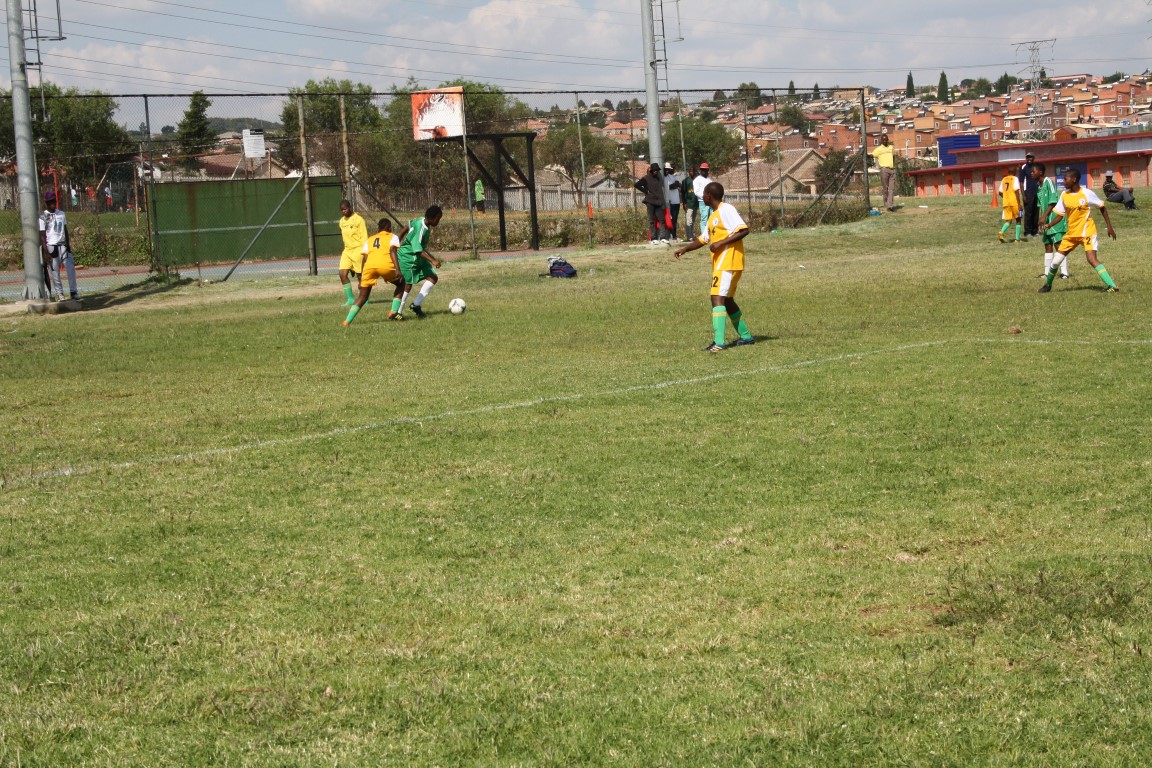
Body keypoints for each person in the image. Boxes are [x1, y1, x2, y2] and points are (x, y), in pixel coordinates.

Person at [673, 181, 755, 353]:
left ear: (709, 196)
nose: (702, 197)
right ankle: (746, 336)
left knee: (716, 297)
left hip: (728, 261)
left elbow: (744, 230)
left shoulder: (726, 209)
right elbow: (703, 239)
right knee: (727, 300)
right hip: (724, 263)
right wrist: (685, 249)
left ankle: (719, 342)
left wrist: (720, 243)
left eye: (704, 194)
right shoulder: (713, 217)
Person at [1038, 168, 1119, 293]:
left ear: (1074, 180)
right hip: (1072, 233)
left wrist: (1110, 227)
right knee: (1055, 262)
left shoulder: (1086, 193)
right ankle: (1048, 285)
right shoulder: (1064, 195)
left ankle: (1112, 286)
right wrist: (1050, 224)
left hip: (1087, 232)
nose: (1063, 181)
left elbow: (1102, 207)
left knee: (1091, 259)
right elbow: (1060, 214)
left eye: (1065, 179)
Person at [343, 218, 406, 326]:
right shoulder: (393, 236)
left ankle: (346, 321)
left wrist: (362, 277)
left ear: (378, 228)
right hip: (385, 266)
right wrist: (397, 269)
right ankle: (393, 312)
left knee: (362, 296)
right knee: (401, 283)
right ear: (389, 228)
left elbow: (365, 258)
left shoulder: (370, 239)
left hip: (369, 267)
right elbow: (392, 250)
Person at [396, 205, 444, 318]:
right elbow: (417, 250)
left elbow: (407, 226)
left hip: (417, 257)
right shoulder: (421, 229)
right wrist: (433, 260)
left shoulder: (421, 220)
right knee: (408, 284)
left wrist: (398, 240)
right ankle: (398, 312)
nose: (438, 221)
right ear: (431, 218)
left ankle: (416, 305)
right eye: (438, 219)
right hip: (408, 257)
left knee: (432, 277)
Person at [39, 190, 78, 301]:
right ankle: (60, 293)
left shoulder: (61, 214)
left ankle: (73, 292)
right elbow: (42, 236)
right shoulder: (43, 217)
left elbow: (65, 230)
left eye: (54, 201)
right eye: (50, 201)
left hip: (63, 245)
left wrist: (68, 244)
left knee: (70, 269)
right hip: (51, 246)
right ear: (46, 202)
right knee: (55, 272)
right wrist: (46, 252)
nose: (52, 203)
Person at [1032, 163, 1069, 281]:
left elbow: (1053, 201)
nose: (1031, 174)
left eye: (1033, 172)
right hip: (1046, 219)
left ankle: (1064, 272)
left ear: (1040, 172)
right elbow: (1040, 205)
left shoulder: (1049, 182)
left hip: (1055, 218)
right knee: (1047, 245)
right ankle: (1046, 272)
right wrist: (1040, 221)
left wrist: (1044, 217)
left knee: (1058, 245)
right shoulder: (1038, 186)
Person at [337, 199, 368, 306]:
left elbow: (364, 237)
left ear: (349, 207)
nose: (344, 211)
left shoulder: (358, 220)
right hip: (347, 251)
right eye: (342, 210)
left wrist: (365, 252)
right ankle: (350, 299)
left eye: (345, 209)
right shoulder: (342, 221)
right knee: (342, 274)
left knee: (360, 276)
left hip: (358, 250)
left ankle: (364, 299)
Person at [634, 163, 667, 243]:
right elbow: (636, 185)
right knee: (651, 220)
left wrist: (662, 202)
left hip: (658, 202)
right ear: (651, 170)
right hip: (650, 201)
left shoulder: (658, 178)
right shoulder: (646, 178)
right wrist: (645, 191)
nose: (656, 171)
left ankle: (663, 237)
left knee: (662, 220)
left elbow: (660, 191)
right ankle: (653, 238)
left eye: (657, 170)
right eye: (654, 170)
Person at [998, 164, 1023, 243]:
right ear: (1015, 172)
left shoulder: (1004, 179)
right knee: (1018, 220)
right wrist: (1019, 204)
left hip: (1006, 203)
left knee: (1008, 220)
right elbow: (1016, 191)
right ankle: (1017, 239)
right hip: (1014, 202)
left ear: (1008, 172)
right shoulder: (1015, 178)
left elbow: (1000, 192)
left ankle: (1001, 232)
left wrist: (1005, 197)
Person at [871, 133, 897, 211]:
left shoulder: (891, 148)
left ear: (887, 140)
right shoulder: (878, 149)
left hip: (892, 169)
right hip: (884, 170)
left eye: (886, 140)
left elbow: (894, 156)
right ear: (881, 141)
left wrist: (893, 165)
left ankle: (890, 206)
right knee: (885, 188)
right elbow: (873, 156)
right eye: (883, 140)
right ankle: (886, 203)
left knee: (891, 189)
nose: (885, 141)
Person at [1018, 153, 1039, 237]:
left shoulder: (1036, 167)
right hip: (1028, 193)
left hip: (1036, 193)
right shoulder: (1023, 167)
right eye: (1028, 157)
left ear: (1033, 158)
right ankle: (1027, 232)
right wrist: (1023, 195)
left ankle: (1035, 231)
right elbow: (1021, 182)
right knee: (1028, 213)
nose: (1029, 159)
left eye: (1031, 157)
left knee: (1036, 213)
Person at [663, 161, 682, 241]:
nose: (667, 171)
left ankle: (674, 236)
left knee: (675, 220)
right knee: (670, 219)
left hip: (676, 201)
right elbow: (671, 187)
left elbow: (678, 184)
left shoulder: (672, 177)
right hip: (669, 202)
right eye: (666, 169)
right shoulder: (664, 178)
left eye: (669, 169)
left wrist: (676, 184)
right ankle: (671, 236)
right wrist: (675, 185)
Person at [692, 163, 712, 234]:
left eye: (706, 170)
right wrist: (705, 197)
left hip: (711, 202)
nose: (704, 171)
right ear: (700, 170)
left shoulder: (710, 180)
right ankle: (704, 235)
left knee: (711, 218)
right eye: (703, 170)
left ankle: (710, 234)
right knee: (704, 219)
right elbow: (696, 192)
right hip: (703, 202)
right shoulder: (697, 180)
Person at [683, 168, 699, 239]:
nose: (692, 172)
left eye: (693, 171)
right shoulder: (686, 181)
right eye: (690, 171)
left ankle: (691, 234)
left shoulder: (697, 180)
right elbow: (683, 192)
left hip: (695, 203)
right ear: (688, 172)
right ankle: (689, 236)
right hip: (689, 203)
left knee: (693, 220)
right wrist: (684, 202)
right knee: (689, 219)